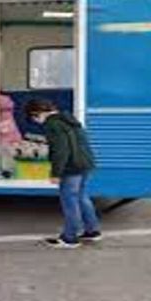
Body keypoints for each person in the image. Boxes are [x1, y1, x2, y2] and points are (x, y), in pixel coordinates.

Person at [25, 99, 101, 248]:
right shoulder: (69, 119)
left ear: (37, 114)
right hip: (85, 163)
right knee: (81, 197)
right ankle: (92, 231)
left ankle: (70, 238)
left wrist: (56, 173)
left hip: (71, 167)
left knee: (69, 201)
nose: (37, 122)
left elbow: (61, 151)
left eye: (34, 119)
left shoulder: (52, 124)